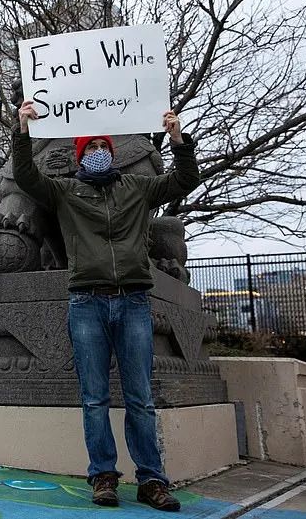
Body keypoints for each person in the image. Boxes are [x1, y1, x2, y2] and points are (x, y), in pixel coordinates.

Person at [15, 100, 199, 512]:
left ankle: (152, 479)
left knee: (140, 397)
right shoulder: (64, 191)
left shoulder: (137, 188)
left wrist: (177, 139)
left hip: (133, 300)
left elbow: (185, 179)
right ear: (81, 155)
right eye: (91, 146)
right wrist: (23, 130)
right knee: (94, 396)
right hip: (87, 302)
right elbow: (26, 176)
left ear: (111, 153)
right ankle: (103, 475)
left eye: (104, 145)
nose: (99, 150)